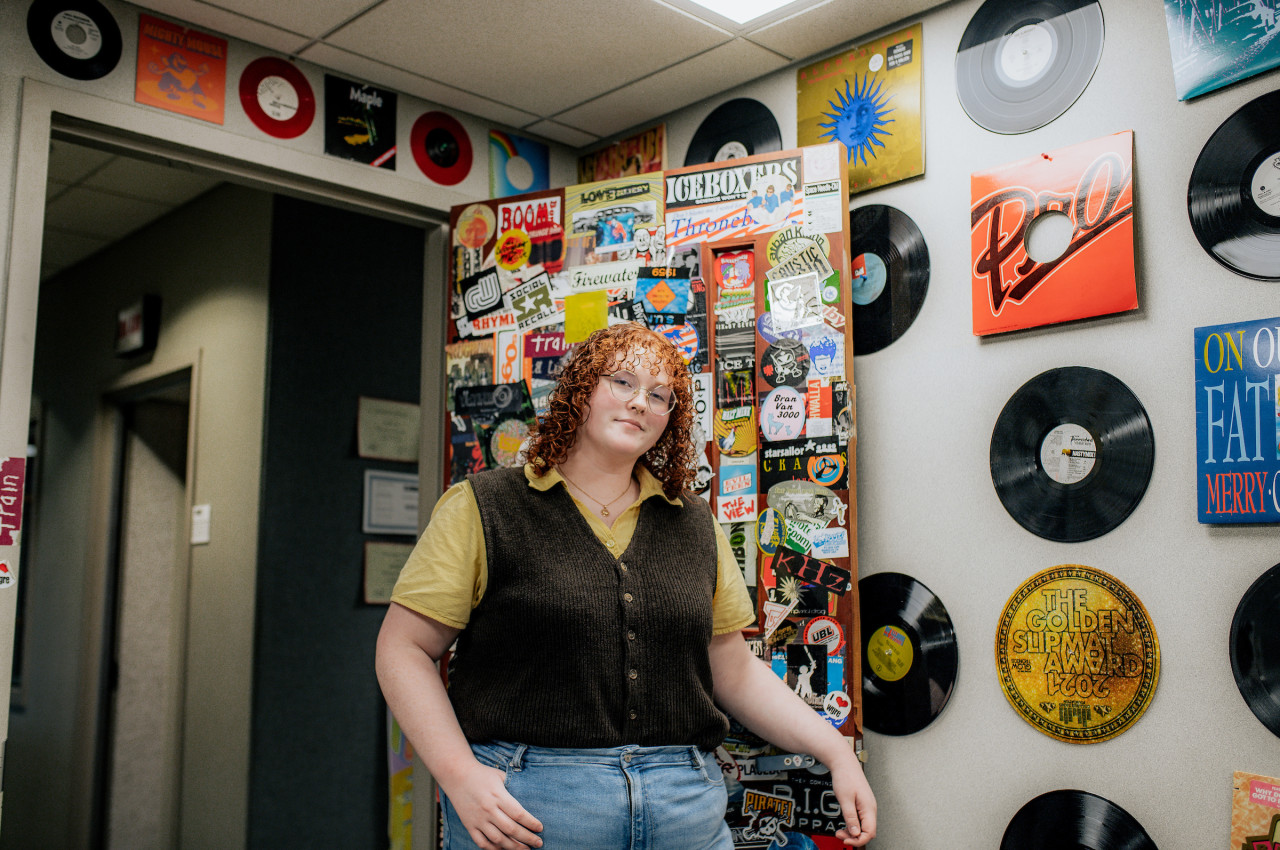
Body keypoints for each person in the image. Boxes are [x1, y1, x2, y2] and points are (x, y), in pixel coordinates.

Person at [376, 323, 876, 850]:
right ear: (581, 390)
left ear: (670, 420)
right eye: (622, 382)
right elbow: (403, 649)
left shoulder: (694, 522)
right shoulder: (485, 506)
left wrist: (836, 751)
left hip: (685, 810)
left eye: (659, 395)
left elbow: (732, 669)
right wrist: (459, 777)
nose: (640, 402)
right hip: (531, 811)